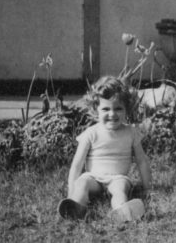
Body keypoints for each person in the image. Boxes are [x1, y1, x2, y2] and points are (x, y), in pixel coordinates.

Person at [58, 76, 152, 221]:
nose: (112, 114)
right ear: (96, 109)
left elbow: (142, 161)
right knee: (82, 184)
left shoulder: (131, 132)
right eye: (106, 109)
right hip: (93, 178)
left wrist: (147, 188)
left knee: (120, 190)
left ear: (127, 109)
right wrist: (71, 191)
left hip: (117, 178)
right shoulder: (91, 133)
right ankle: (76, 206)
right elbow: (77, 165)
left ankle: (122, 210)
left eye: (118, 108)